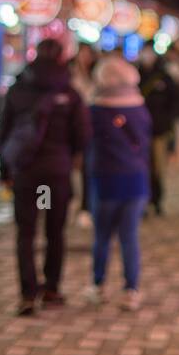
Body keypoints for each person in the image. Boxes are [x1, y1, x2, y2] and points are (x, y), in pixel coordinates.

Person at [0, 38, 89, 316]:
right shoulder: (69, 92)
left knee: (25, 233)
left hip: (26, 173)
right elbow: (82, 136)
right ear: (62, 57)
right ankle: (51, 288)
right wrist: (68, 157)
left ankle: (27, 294)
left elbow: (4, 132)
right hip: (56, 175)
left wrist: (6, 172)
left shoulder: (17, 89)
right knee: (54, 232)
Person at [83, 56, 152, 310]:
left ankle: (98, 285)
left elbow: (86, 143)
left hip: (105, 180)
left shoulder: (95, 111)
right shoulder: (140, 109)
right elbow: (144, 144)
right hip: (136, 180)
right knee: (129, 237)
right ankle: (131, 290)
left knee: (102, 236)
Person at [138, 47, 179, 216]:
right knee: (142, 167)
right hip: (139, 131)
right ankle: (143, 201)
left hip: (159, 130)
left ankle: (156, 200)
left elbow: (177, 100)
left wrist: (167, 120)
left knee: (157, 168)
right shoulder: (135, 75)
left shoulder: (165, 76)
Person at [68, 42, 98, 228]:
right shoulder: (69, 73)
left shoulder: (97, 74)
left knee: (88, 167)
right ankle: (71, 200)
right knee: (70, 166)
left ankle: (86, 207)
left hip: (91, 125)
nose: (85, 57)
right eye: (83, 53)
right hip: (71, 125)